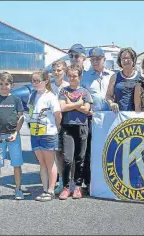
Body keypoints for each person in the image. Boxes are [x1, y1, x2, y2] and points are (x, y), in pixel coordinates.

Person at [81, 47, 115, 193]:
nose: (95, 61)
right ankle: (89, 183)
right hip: (91, 118)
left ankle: (111, 180)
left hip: (111, 119)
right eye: (92, 59)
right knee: (90, 151)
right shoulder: (84, 77)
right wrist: (87, 109)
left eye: (98, 59)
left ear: (104, 59)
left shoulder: (113, 75)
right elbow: (81, 97)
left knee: (110, 149)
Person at [0, 72, 25, 201]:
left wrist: (15, 133)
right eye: (1, 84)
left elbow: (21, 117)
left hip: (13, 137)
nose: (4, 86)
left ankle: (18, 189)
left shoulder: (16, 99)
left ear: (11, 85)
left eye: (7, 84)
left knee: (16, 164)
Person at [58, 64, 92, 200]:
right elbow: (62, 107)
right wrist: (78, 104)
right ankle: (66, 187)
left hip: (82, 127)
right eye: (69, 76)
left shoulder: (85, 92)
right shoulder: (63, 91)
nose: (72, 78)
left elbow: (87, 109)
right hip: (67, 127)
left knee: (80, 158)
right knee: (67, 159)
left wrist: (70, 105)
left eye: (75, 76)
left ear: (80, 77)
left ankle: (78, 186)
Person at [27, 70, 62, 202]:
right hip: (35, 133)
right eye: (33, 81)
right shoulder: (32, 95)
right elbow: (29, 112)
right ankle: (45, 189)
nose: (34, 83)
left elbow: (58, 115)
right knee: (42, 163)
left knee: (50, 163)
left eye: (37, 81)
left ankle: (51, 191)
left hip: (48, 134)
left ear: (46, 81)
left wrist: (54, 128)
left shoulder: (51, 97)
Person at [50, 60, 70, 195]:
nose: (57, 73)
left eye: (59, 70)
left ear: (65, 71)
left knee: (69, 155)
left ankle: (71, 182)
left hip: (68, 123)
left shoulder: (69, 86)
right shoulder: (49, 86)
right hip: (53, 125)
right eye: (54, 70)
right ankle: (61, 181)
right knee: (57, 154)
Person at [106, 47, 140, 112]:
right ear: (120, 61)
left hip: (135, 117)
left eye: (128, 58)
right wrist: (111, 103)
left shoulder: (140, 77)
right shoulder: (115, 77)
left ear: (133, 60)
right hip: (119, 116)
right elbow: (108, 95)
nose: (125, 61)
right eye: (123, 58)